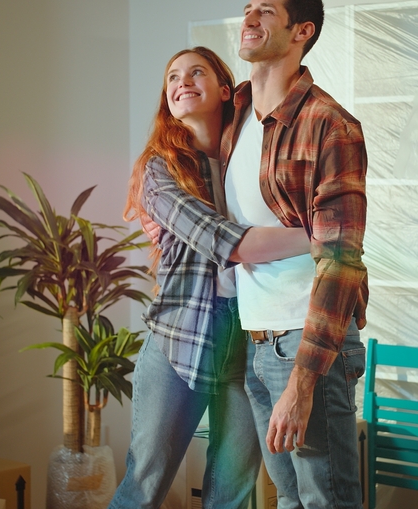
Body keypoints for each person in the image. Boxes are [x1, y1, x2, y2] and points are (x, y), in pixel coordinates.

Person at [108, 46, 312, 509]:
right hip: (180, 337)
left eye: (196, 72)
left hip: (249, 338)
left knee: (232, 491)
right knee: (145, 484)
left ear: (225, 90)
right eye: (173, 76)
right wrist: (321, 235)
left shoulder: (250, 158)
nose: (182, 81)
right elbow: (229, 242)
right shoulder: (159, 170)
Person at [221, 0, 369, 508]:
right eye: (249, 8)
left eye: (266, 10)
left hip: (307, 344)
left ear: (302, 31)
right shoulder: (235, 115)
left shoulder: (330, 123)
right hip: (257, 339)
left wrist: (304, 380)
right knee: (289, 500)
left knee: (327, 502)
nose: (250, 17)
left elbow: (341, 261)